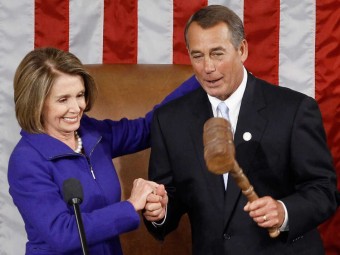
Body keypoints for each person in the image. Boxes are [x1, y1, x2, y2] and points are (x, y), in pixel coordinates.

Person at [143, 5, 338, 255]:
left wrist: (284, 211)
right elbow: (167, 197)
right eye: (197, 56)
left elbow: (323, 190)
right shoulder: (169, 120)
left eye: (217, 54)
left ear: (242, 50)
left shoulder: (294, 110)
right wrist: (158, 211)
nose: (207, 67)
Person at [7, 47, 199, 255]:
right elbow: (63, 234)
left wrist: (202, 79)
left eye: (80, 95)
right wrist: (131, 206)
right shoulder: (27, 160)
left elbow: (147, 128)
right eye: (63, 99)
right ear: (36, 103)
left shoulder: (91, 133)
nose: (76, 107)